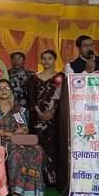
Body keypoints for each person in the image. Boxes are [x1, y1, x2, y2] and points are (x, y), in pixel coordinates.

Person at [0, 79, 46, 196]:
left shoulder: (17, 108)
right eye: (0, 88)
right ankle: (17, 190)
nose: (4, 90)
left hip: (19, 139)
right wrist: (10, 134)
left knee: (37, 150)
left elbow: (24, 127)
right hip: (3, 139)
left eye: (7, 88)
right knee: (17, 151)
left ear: (11, 91)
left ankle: (33, 190)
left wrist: (23, 131)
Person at [28, 49, 65, 186]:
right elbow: (31, 98)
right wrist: (40, 113)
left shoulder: (60, 77)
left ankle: (52, 178)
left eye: (50, 58)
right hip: (37, 118)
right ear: (41, 61)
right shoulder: (33, 78)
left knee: (53, 146)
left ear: (55, 60)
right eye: (44, 58)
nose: (46, 61)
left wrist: (51, 112)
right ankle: (38, 178)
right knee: (38, 146)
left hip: (54, 118)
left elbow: (60, 97)